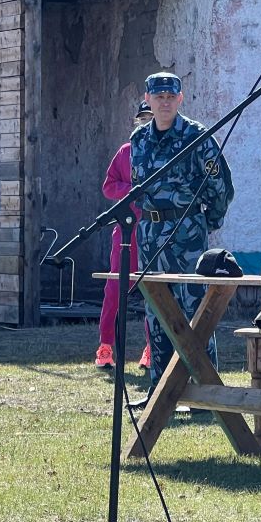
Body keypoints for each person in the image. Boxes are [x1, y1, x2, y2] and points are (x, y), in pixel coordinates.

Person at [130, 71, 234, 390]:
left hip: (186, 233)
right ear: (147, 100)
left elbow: (220, 187)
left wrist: (207, 223)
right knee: (157, 312)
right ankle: (160, 391)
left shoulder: (197, 137)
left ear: (180, 99)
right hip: (150, 233)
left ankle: (206, 391)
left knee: (195, 313)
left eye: (170, 97)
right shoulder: (139, 140)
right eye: (158, 97)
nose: (164, 103)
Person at [94, 102, 153, 370]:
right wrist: (132, 189)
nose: (146, 123)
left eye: (150, 118)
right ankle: (105, 347)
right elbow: (108, 186)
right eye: (142, 119)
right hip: (126, 231)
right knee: (115, 289)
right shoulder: (125, 152)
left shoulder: (165, 153)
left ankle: (152, 349)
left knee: (155, 291)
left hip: (156, 230)